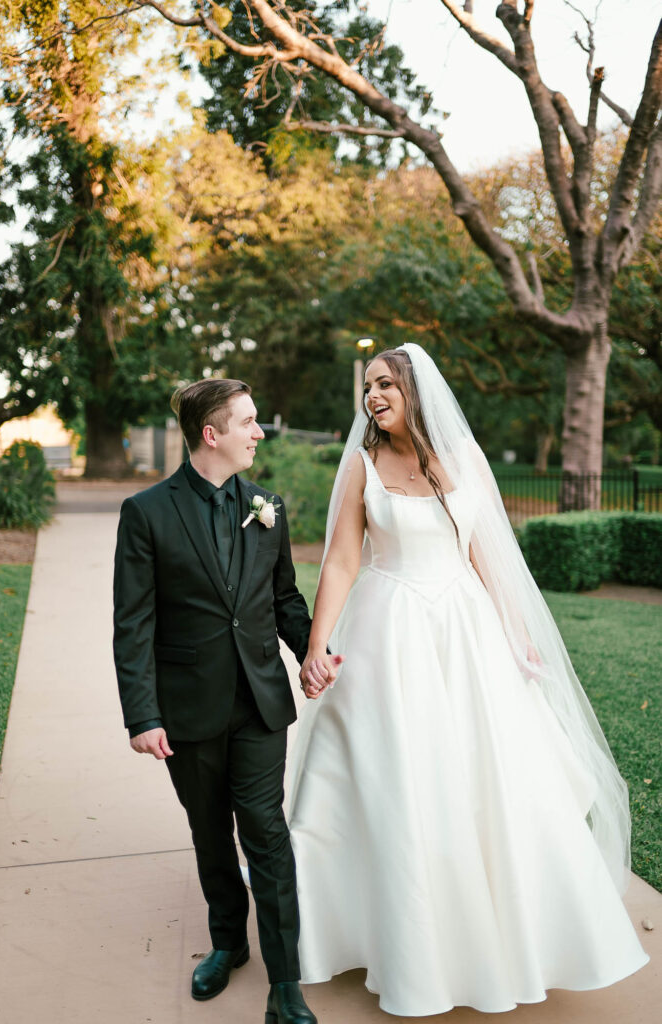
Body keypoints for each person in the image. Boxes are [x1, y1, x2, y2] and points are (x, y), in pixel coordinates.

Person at [288, 344, 649, 1016]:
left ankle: (497, 942)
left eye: (385, 384)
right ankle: (379, 936)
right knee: (384, 778)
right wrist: (318, 645)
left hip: (464, 633)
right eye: (368, 386)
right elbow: (340, 563)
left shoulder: (467, 462)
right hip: (384, 632)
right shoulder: (362, 467)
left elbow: (488, 558)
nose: (372, 396)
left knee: (484, 780)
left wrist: (517, 641)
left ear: (416, 391)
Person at [113, 377, 321, 1024]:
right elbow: (134, 622)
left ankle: (285, 983)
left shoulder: (268, 505)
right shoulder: (147, 512)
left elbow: (282, 597)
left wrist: (310, 652)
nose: (260, 433)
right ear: (213, 434)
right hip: (187, 710)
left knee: (266, 832)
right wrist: (142, 715)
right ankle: (227, 942)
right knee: (210, 834)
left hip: (260, 703)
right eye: (249, 422)